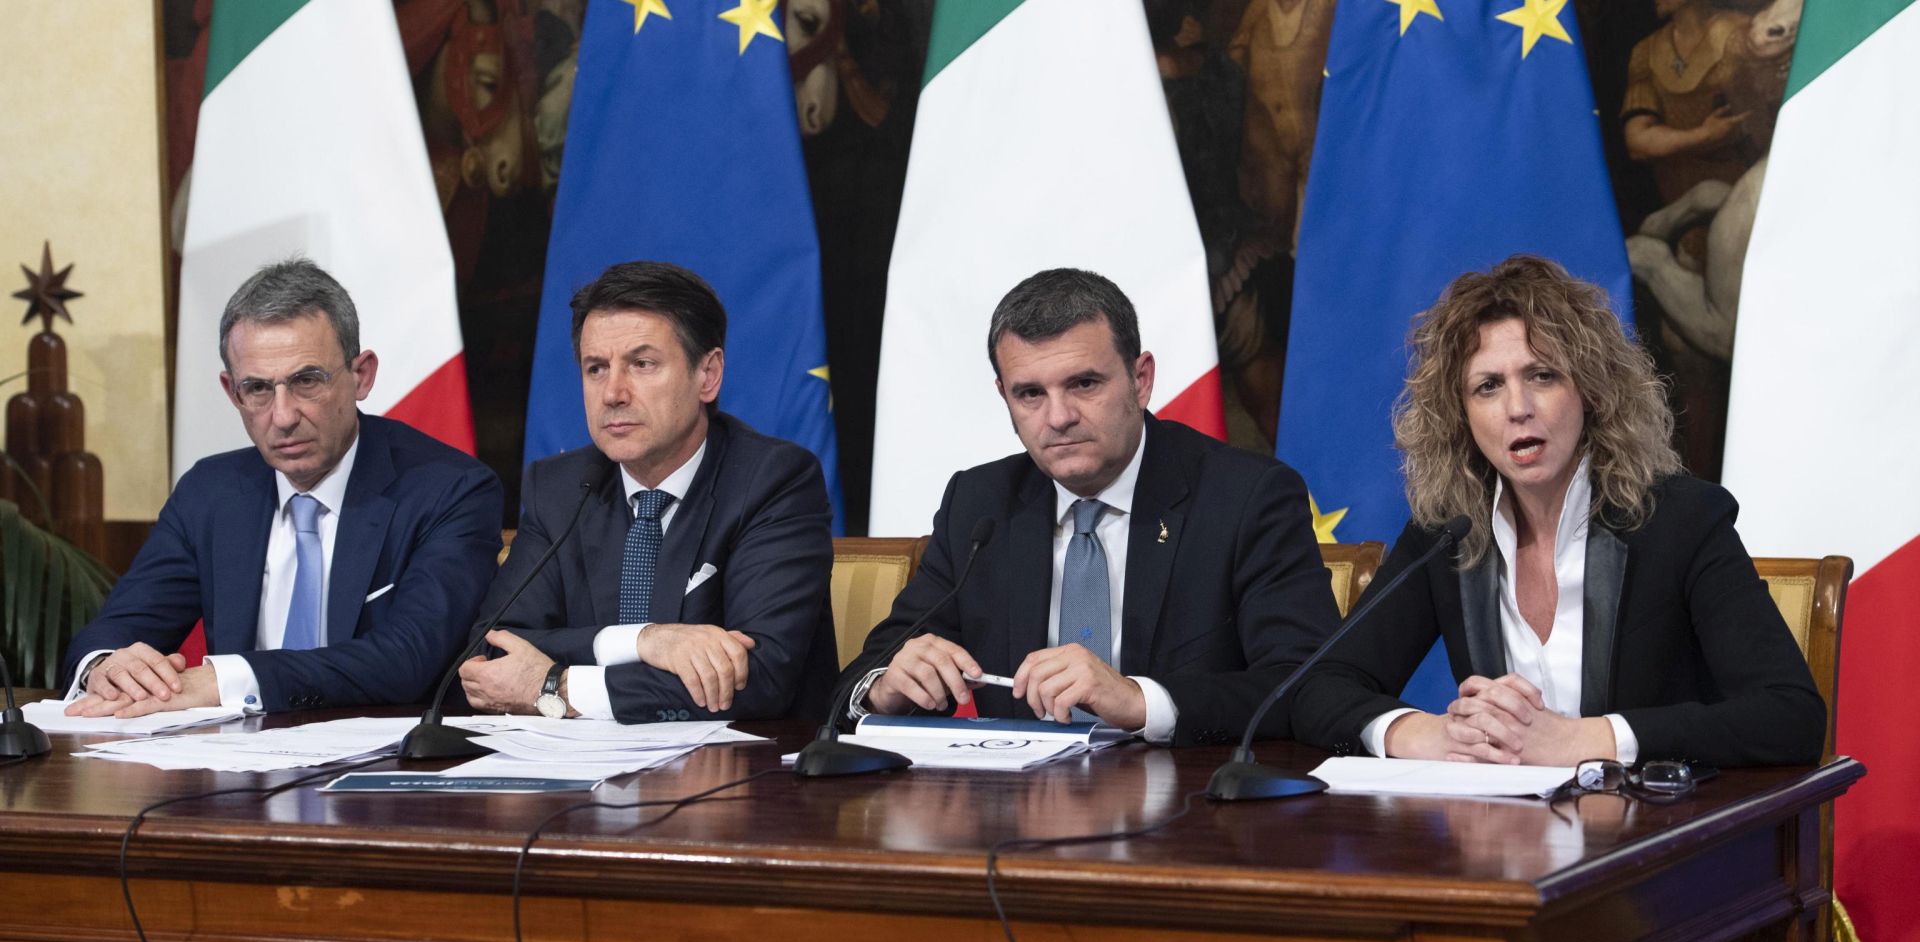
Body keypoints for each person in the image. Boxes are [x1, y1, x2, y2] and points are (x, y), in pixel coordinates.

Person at [1288, 255, 1824, 767]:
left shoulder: (1680, 522)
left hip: (1652, 837)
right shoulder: (1447, 533)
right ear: (1462, 417)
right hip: (1503, 843)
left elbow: (1789, 715)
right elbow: (1319, 689)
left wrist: (1587, 739)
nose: (1518, 408)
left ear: (1591, 390)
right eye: (1488, 386)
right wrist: (1429, 734)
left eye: (1542, 375)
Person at [836, 268, 1339, 746]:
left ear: (1141, 380)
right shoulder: (981, 503)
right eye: (1030, 393)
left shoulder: (1246, 497)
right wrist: (885, 687)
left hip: (1187, 807)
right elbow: (863, 678)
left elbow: (1305, 685)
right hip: (1012, 811)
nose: (1058, 418)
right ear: (1003, 396)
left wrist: (1140, 701)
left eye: (1084, 384)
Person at [60, 258, 504, 715]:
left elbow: (407, 658)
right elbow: (116, 629)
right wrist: (109, 666)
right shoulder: (211, 493)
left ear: (361, 376)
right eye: (257, 389)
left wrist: (228, 681)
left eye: (307, 381)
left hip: (387, 769)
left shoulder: (450, 490)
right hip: (233, 769)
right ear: (232, 392)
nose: (283, 416)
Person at [456, 261, 836, 723]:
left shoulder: (773, 481)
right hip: (576, 773)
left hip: (741, 777)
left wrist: (561, 686)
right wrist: (641, 640)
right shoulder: (559, 487)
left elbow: (759, 678)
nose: (613, 393)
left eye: (642, 364)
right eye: (596, 368)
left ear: (708, 375)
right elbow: (491, 653)